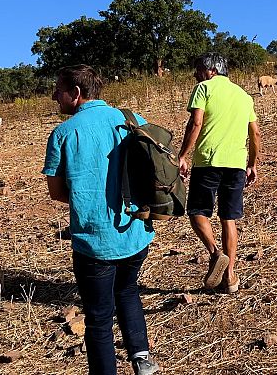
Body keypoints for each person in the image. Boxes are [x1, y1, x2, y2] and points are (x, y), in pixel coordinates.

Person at [43, 64, 159, 375]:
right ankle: (142, 360)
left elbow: (56, 192)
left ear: (76, 94)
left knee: (97, 318)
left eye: (59, 90)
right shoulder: (132, 120)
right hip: (136, 230)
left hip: (94, 242)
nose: (55, 95)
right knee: (129, 290)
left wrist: (90, 197)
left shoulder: (63, 134)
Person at [178, 53, 262, 293]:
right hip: (236, 164)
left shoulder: (203, 88)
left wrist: (182, 155)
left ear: (210, 70)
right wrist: (252, 164)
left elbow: (196, 123)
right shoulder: (244, 96)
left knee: (197, 212)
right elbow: (255, 133)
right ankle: (230, 277)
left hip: (208, 162)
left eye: (198, 69)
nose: (195, 74)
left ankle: (215, 253)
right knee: (229, 217)